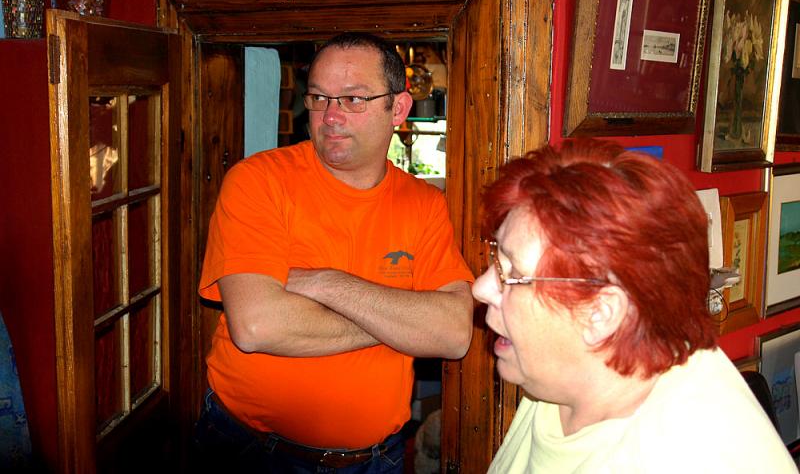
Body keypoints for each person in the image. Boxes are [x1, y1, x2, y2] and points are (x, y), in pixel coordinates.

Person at [194, 32, 474, 473]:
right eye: (319, 97)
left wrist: (325, 283)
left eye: (353, 99)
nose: (330, 116)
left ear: (398, 109)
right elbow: (256, 326)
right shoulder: (258, 182)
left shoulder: (425, 205)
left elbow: (454, 334)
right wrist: (401, 319)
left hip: (376, 460)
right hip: (252, 452)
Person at [473, 139, 796, 473]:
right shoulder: (558, 377)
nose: (480, 289)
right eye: (497, 258)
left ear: (600, 314)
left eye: (513, 274)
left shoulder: (692, 458)